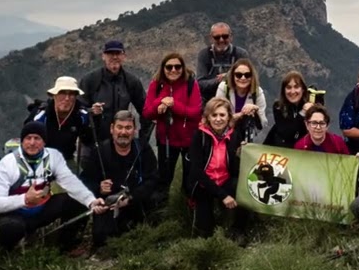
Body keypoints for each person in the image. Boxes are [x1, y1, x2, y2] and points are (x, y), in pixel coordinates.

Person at [0, 121, 109, 252]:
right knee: (11, 227)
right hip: (15, 214)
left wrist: (91, 201)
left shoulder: (53, 157)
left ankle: (65, 246)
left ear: (44, 141)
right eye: (28, 138)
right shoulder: (7, 164)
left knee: (76, 202)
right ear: (22, 141)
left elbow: (70, 182)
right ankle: (2, 251)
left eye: (37, 138)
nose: (32, 143)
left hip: (42, 210)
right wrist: (25, 199)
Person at [81, 111, 160, 251]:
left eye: (128, 128)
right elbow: (85, 181)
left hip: (134, 201)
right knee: (101, 239)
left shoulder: (143, 149)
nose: (123, 132)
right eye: (120, 127)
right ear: (112, 129)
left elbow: (153, 179)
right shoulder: (100, 151)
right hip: (109, 204)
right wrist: (99, 189)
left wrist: (131, 198)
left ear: (134, 130)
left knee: (145, 233)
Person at [142, 52, 202, 205]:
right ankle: (160, 211)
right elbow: (147, 112)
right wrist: (161, 101)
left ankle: (185, 211)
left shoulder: (191, 84)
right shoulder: (156, 85)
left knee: (189, 180)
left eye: (177, 66)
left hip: (189, 141)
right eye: (169, 67)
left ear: (183, 68)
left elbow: (195, 113)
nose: (173, 70)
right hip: (166, 140)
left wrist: (173, 104)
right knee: (164, 179)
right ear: (163, 68)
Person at [186, 98, 250, 238]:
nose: (218, 119)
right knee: (205, 232)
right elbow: (197, 171)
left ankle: (238, 230)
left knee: (245, 194)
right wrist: (223, 195)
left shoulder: (234, 136)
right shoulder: (199, 136)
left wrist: (241, 153)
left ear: (228, 117)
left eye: (222, 115)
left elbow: (235, 168)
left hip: (225, 180)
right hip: (204, 184)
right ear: (208, 117)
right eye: (214, 115)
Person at [81, 40, 152, 145]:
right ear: (103, 56)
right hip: (94, 143)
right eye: (110, 53)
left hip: (122, 143)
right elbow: (78, 110)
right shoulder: (90, 80)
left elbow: (146, 111)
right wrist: (91, 111)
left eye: (118, 53)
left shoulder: (132, 82)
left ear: (124, 56)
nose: (114, 57)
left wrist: (142, 140)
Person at [27, 76, 97, 167]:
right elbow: (27, 140)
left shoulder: (82, 116)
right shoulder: (40, 115)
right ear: (54, 95)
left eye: (71, 94)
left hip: (66, 160)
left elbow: (89, 140)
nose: (67, 98)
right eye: (62, 93)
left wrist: (96, 118)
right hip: (40, 159)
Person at [213, 59, 269, 141]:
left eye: (247, 75)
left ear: (252, 77)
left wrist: (255, 110)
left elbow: (263, 124)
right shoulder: (224, 88)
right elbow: (216, 115)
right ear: (233, 76)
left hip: (246, 136)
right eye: (238, 75)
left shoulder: (257, 92)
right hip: (224, 133)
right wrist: (239, 115)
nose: (243, 78)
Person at [196, 22, 250, 103]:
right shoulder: (204, 55)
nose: (221, 40)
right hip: (210, 101)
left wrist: (229, 76)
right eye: (217, 37)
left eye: (225, 36)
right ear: (211, 38)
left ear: (231, 37)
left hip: (235, 99)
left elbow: (247, 78)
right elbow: (200, 84)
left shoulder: (241, 54)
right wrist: (218, 80)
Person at [264, 71, 314, 148]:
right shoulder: (278, 107)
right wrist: (302, 113)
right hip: (280, 150)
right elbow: (286, 133)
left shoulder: (311, 108)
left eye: (296, 87)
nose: (292, 91)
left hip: (303, 150)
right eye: (288, 87)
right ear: (284, 90)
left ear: (303, 89)